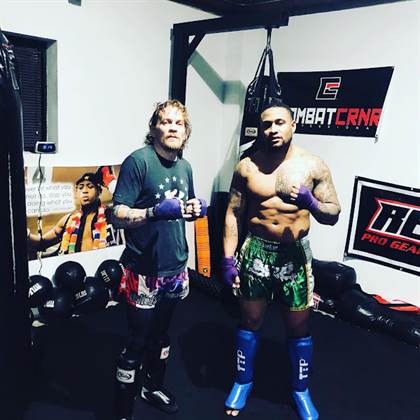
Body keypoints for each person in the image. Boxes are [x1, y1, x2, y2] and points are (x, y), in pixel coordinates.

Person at [222, 98, 341, 419]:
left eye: (279, 123)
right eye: (266, 124)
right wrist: (227, 259)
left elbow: (333, 213)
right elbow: (233, 213)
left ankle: (300, 390)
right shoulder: (247, 166)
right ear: (260, 129)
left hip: (294, 254)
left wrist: (311, 203)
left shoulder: (313, 166)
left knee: (298, 326)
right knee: (250, 320)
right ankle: (243, 381)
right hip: (256, 250)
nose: (273, 129)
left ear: (292, 126)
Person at [111, 99, 207, 420]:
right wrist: (152, 212)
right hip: (143, 270)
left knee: (162, 336)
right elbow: (117, 215)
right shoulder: (138, 162)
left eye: (178, 123)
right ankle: (122, 408)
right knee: (137, 341)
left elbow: (183, 209)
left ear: (186, 131)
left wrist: (194, 210)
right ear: (153, 129)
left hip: (175, 267)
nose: (172, 128)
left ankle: (151, 388)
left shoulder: (185, 167)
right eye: (165, 122)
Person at [27, 171, 118, 256]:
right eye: (80, 187)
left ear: (99, 191)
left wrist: (111, 184)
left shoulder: (112, 214)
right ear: (76, 192)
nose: (85, 191)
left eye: (90, 186)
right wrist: (26, 234)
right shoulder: (68, 220)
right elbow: (42, 243)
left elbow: (126, 213)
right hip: (73, 266)